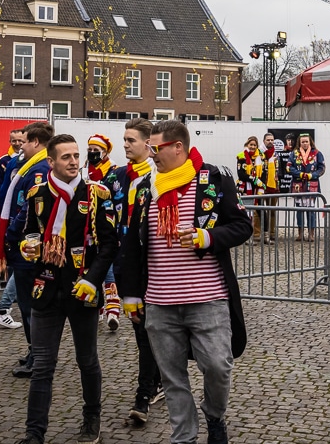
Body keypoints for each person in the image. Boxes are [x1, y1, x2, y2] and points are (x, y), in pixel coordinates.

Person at [117, 120, 252, 444]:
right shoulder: (147, 186)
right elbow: (132, 245)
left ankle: (214, 415)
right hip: (160, 303)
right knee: (173, 378)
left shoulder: (214, 180)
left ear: (177, 147)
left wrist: (207, 236)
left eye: (156, 148)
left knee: (219, 367)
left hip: (208, 300)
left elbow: (242, 226)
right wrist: (131, 294)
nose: (151, 153)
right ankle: (184, 437)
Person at [13, 134, 117, 444]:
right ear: (51, 162)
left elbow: (110, 244)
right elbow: (28, 229)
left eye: (76, 156)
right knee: (43, 364)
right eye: (66, 157)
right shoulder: (37, 193)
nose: (73, 162)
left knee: (87, 360)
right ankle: (34, 433)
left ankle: (91, 418)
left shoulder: (96, 194)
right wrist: (26, 245)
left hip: (82, 288)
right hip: (46, 288)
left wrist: (92, 279)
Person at [103, 118, 164, 427]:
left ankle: (144, 394)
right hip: (125, 262)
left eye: (131, 140)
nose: (125, 144)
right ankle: (158, 381)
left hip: (152, 263)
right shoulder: (116, 176)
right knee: (142, 329)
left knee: (147, 332)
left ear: (148, 144)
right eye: (124, 139)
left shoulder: (158, 177)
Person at [0, 122, 53, 378]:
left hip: (26, 247)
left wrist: (10, 234)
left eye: (25, 141)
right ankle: (35, 351)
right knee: (28, 305)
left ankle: (38, 356)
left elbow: (29, 210)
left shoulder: (38, 170)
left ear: (37, 143)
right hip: (22, 245)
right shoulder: (27, 167)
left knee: (31, 308)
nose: (20, 146)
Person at [86, 133, 122, 331]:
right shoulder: (85, 169)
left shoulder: (113, 172)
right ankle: (101, 308)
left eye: (95, 150)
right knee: (94, 267)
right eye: (89, 150)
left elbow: (118, 199)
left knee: (107, 268)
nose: (91, 153)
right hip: (89, 227)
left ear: (105, 152)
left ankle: (113, 309)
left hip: (108, 226)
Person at [0, 129, 27, 330]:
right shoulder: (10, 162)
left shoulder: (17, 162)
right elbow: (1, 188)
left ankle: (10, 304)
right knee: (22, 267)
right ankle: (3, 308)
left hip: (14, 218)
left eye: (20, 140)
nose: (17, 143)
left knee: (19, 265)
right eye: (14, 140)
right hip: (20, 219)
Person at [287, 132, 325, 242]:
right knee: (299, 210)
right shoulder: (294, 154)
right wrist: (298, 174)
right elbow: (289, 167)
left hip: (311, 185)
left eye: (306, 142)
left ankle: (311, 234)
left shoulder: (317, 154)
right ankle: (300, 233)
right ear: (299, 142)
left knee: (311, 211)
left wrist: (312, 175)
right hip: (298, 185)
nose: (304, 144)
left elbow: (322, 168)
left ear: (310, 142)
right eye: (302, 142)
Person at [235, 136, 265, 241]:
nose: (252, 147)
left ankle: (253, 234)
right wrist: (254, 179)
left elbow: (263, 172)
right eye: (251, 144)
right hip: (245, 187)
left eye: (254, 145)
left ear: (257, 146)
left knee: (254, 212)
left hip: (256, 188)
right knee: (246, 211)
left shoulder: (260, 157)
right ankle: (244, 235)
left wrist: (260, 182)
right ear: (247, 145)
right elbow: (241, 174)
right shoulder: (241, 156)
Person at [257, 133, 279, 243]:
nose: (270, 141)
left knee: (272, 211)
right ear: (264, 141)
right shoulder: (259, 152)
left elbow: (279, 168)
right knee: (258, 211)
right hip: (261, 185)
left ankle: (272, 233)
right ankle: (257, 234)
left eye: (272, 140)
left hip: (273, 186)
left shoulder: (275, 153)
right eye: (268, 140)